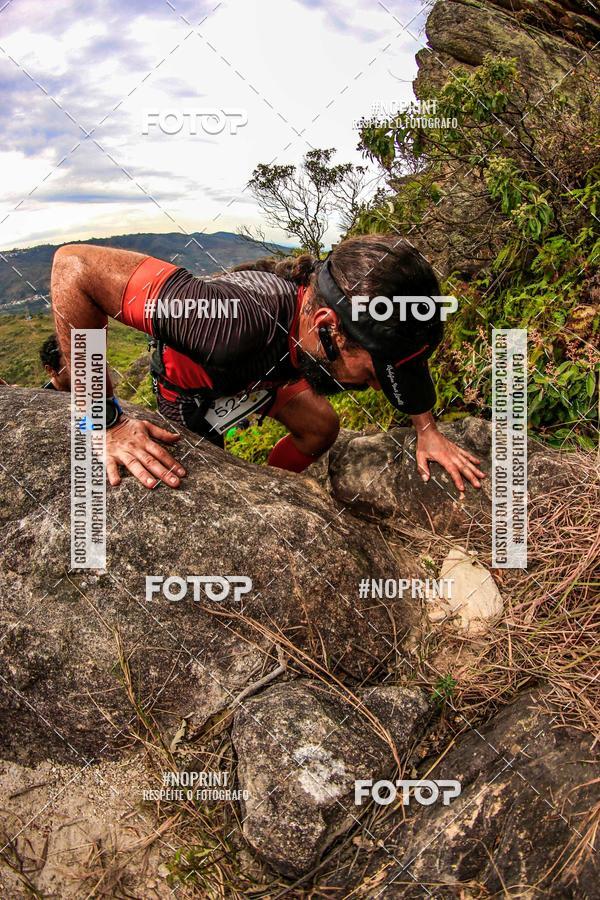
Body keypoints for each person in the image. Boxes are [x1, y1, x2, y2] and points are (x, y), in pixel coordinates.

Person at [50, 234, 485, 493]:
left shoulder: (328, 329)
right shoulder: (233, 323)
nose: (374, 388)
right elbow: (75, 267)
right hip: (195, 392)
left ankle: (270, 487)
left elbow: (398, 356)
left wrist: (427, 431)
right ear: (328, 327)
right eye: (372, 374)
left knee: (322, 429)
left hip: (268, 373)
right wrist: (103, 423)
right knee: (200, 489)